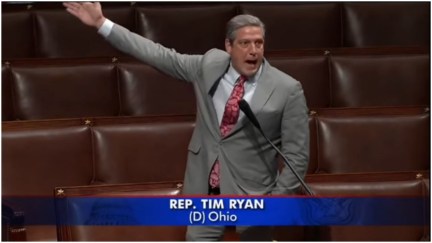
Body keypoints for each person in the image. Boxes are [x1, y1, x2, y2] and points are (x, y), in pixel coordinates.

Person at [64, 2, 309, 241]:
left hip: (254, 195)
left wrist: (276, 200)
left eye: (258, 43)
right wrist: (101, 23)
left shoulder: (287, 89)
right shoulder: (209, 65)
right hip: (205, 187)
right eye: (245, 43)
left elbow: (297, 156)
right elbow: (158, 54)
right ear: (229, 46)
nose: (253, 51)